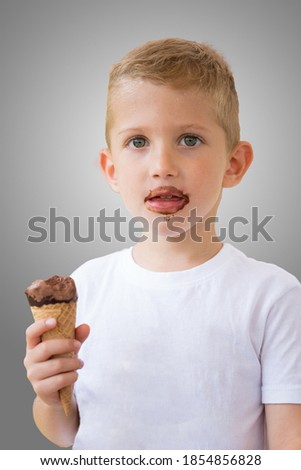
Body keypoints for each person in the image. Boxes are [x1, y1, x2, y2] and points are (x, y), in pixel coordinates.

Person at [24, 38, 301, 450]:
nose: (162, 167)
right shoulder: (86, 285)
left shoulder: (272, 296)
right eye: (138, 142)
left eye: (189, 139)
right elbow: (68, 434)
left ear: (234, 163)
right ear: (111, 168)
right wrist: (48, 396)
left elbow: (289, 446)